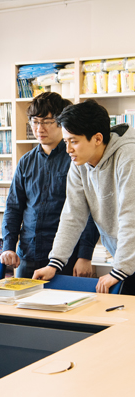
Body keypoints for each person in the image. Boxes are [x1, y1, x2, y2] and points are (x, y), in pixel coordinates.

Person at [33, 99, 135, 295]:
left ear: (97, 139)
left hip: (128, 254)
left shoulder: (128, 156)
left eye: (74, 141)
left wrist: (119, 270)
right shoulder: (80, 163)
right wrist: (54, 263)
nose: (68, 149)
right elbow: (72, 215)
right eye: (65, 141)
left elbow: (130, 216)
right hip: (126, 255)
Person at [1, 92, 99, 278]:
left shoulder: (77, 159)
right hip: (28, 254)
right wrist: (9, 246)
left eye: (46, 122)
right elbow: (13, 208)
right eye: (34, 121)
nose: (39, 128)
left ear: (61, 122)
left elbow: (89, 211)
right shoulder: (25, 162)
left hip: (67, 256)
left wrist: (85, 255)